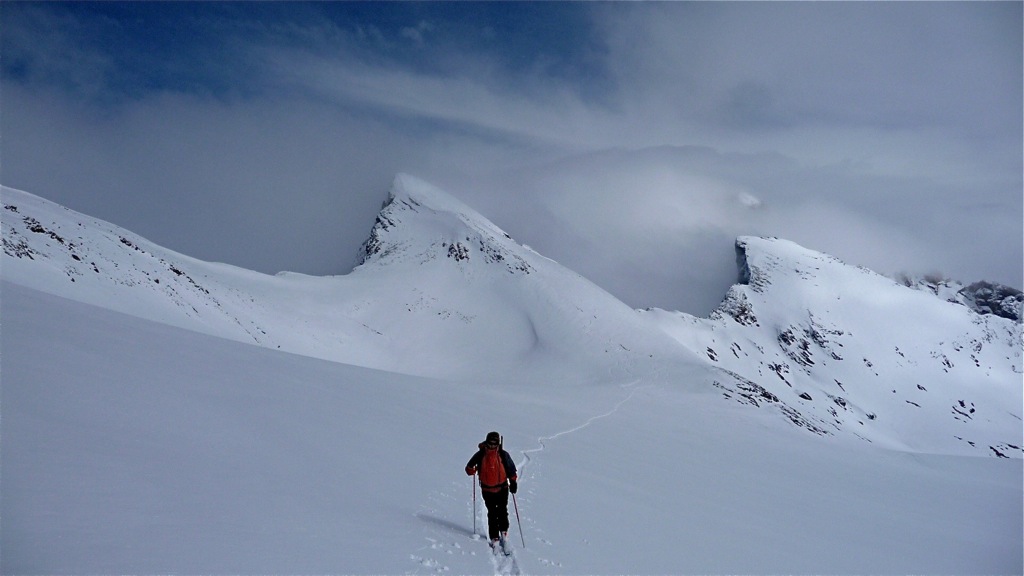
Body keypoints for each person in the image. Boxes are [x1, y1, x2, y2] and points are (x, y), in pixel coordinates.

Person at [465, 431, 518, 548]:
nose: (492, 446)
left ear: (498, 443)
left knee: (502, 510)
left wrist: (513, 481)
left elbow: (511, 469)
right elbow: (468, 468)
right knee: (492, 513)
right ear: (487, 442)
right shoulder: (480, 454)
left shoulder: (503, 455)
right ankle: (495, 537)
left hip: (502, 488)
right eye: (490, 443)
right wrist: (472, 471)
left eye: (495, 444)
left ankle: (504, 531)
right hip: (487, 490)